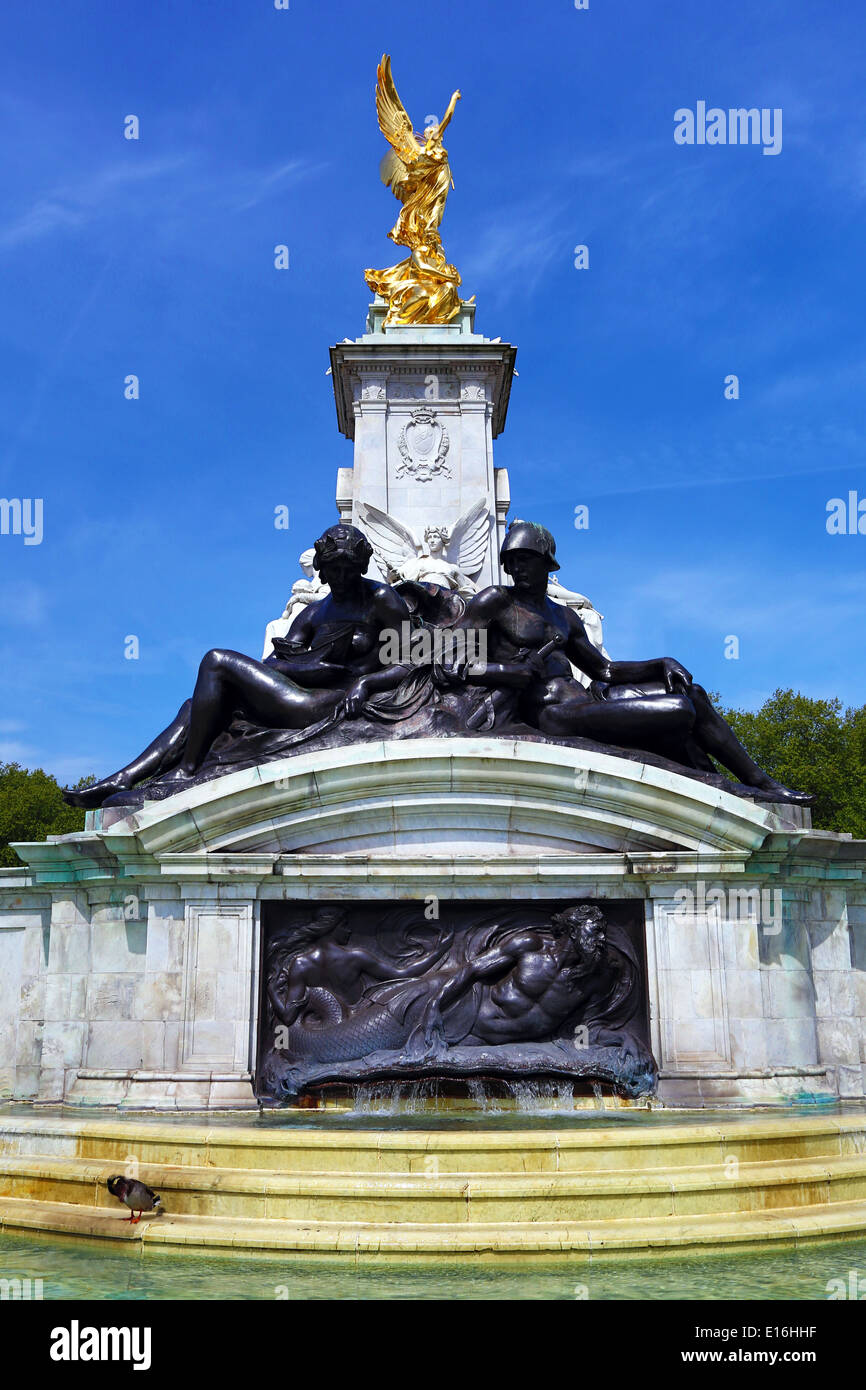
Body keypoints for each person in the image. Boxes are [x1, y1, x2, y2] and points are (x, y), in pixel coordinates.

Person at [459, 519, 812, 803]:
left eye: (526, 559)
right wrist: (508, 671)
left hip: (584, 702)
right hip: (550, 713)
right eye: (511, 560)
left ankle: (762, 782)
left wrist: (662, 663)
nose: (516, 567)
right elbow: (447, 663)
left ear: (546, 563)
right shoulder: (495, 601)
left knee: (694, 694)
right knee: (680, 710)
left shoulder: (564, 616)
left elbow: (604, 670)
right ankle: (719, 782)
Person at [64, 525, 412, 808]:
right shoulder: (313, 612)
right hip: (299, 693)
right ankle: (127, 776)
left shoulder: (381, 600)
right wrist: (312, 669)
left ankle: (187, 774)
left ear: (361, 567)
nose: (339, 577)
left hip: (327, 702)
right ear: (321, 567)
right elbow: (276, 664)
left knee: (215, 661)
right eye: (332, 569)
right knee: (194, 707)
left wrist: (364, 684)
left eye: (347, 570)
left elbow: (412, 661)